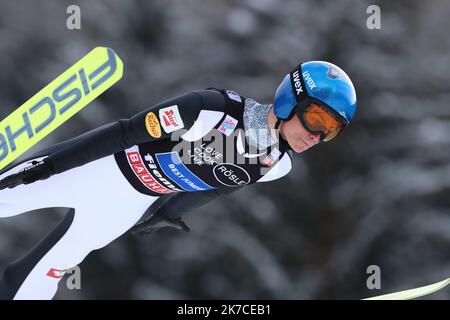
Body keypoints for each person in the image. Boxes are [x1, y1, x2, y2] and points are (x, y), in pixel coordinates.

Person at [0, 61, 357, 299]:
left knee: (43, 276)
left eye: (331, 131)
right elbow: (123, 133)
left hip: (125, 206)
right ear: (289, 100)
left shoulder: (276, 165)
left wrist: (168, 213)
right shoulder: (209, 110)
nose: (316, 136)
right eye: (316, 120)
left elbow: (218, 183)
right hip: (94, 170)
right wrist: (50, 165)